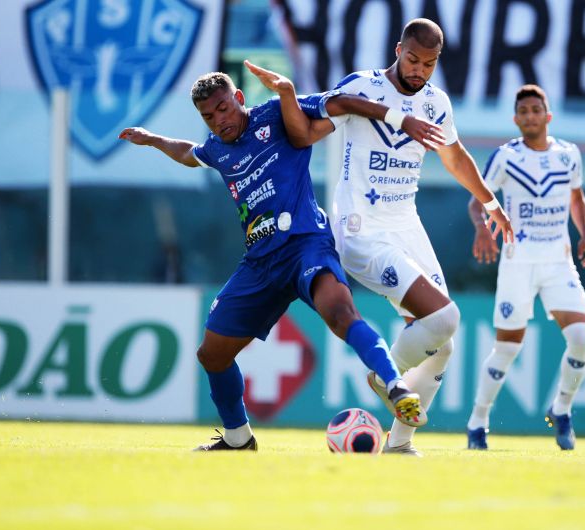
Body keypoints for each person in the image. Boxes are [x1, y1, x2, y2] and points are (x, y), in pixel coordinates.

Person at [118, 66, 443, 451]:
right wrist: (153, 139)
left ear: (239, 99)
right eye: (209, 116)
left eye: (223, 108)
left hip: (306, 243)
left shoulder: (273, 113)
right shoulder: (217, 149)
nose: (219, 120)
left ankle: (394, 385)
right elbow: (188, 154)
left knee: (341, 314)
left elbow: (338, 103)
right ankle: (239, 439)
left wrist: (398, 117)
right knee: (212, 354)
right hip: (259, 263)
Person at [263, 18, 514, 456]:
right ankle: (387, 374)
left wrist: (491, 204)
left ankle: (399, 444)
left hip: (406, 224)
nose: (419, 71)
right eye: (413, 60)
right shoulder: (365, 87)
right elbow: (314, 124)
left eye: (429, 64)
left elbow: (454, 158)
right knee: (445, 319)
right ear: (398, 49)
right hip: (361, 229)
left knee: (442, 344)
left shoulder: (436, 103)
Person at [465, 84, 585, 451]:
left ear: (548, 115)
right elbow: (478, 201)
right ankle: (478, 421)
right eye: (523, 111)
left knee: (581, 338)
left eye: (536, 110)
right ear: (515, 118)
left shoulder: (568, 155)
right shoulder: (505, 157)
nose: (529, 116)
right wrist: (481, 228)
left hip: (558, 261)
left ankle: (562, 409)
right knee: (507, 349)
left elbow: (577, 198)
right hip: (517, 262)